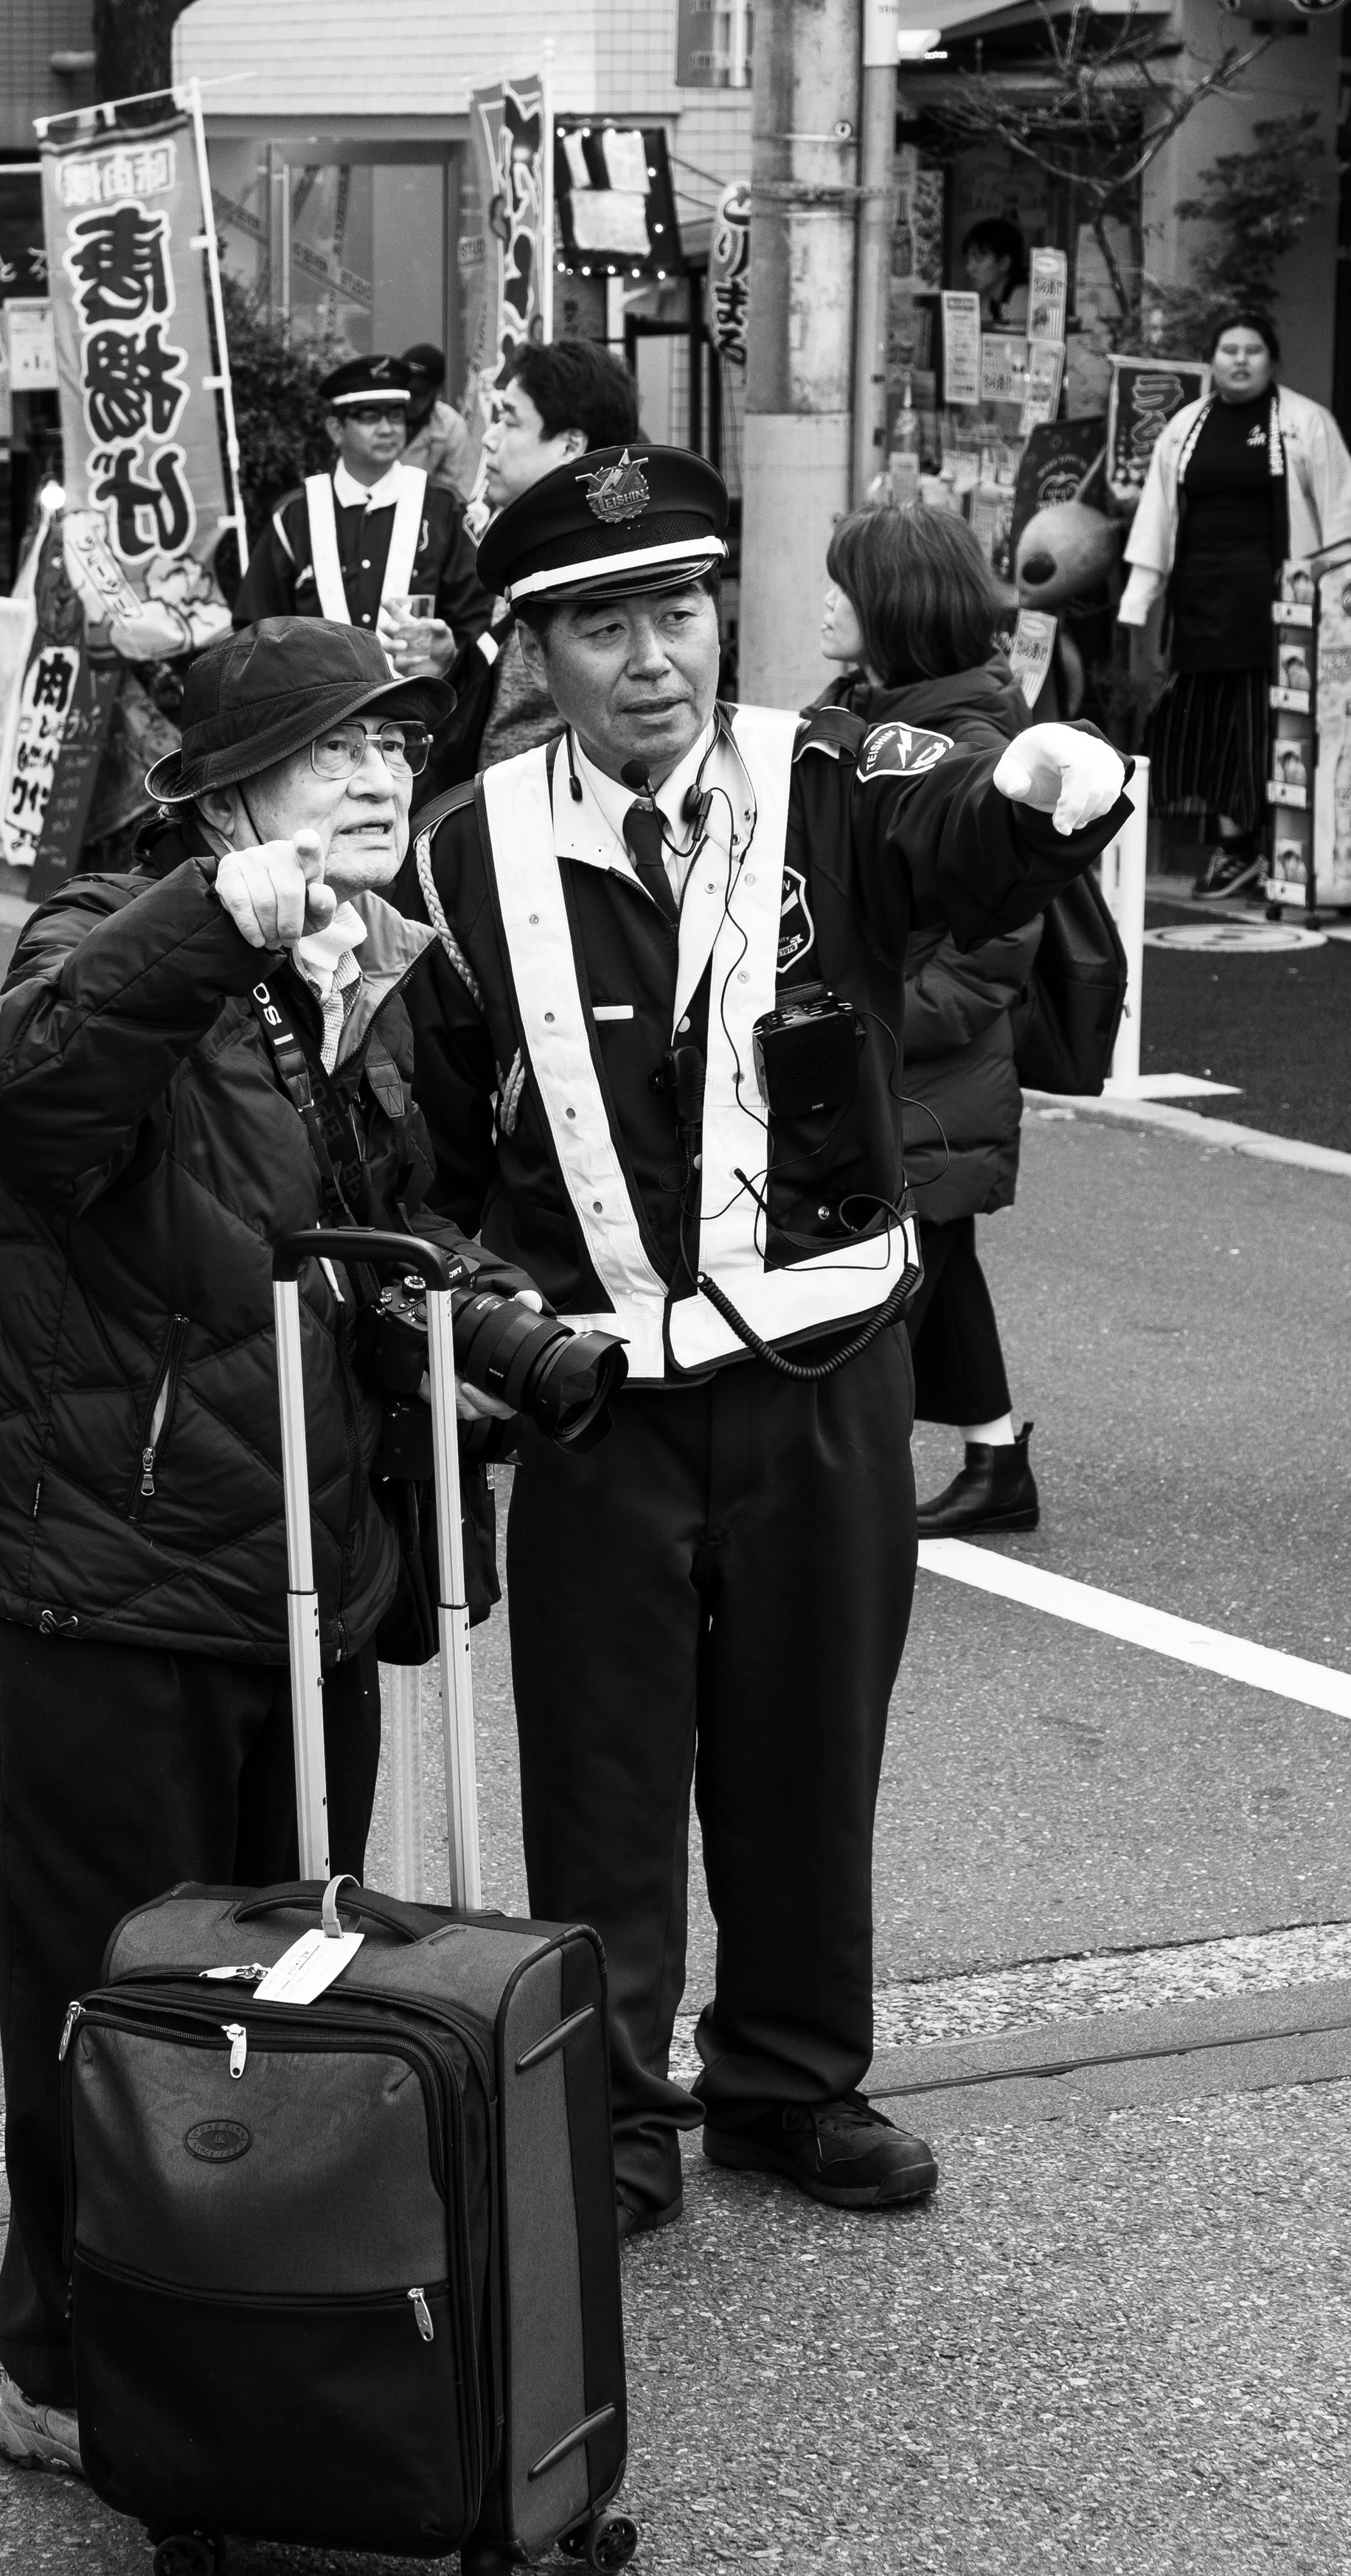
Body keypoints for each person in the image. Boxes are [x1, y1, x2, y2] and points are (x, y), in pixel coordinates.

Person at [397, 447, 1130, 2235]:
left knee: (810, 1744)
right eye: (600, 627)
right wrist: (488, 1335)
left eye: (679, 610)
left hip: (824, 1366)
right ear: (533, 653)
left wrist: (1044, 789)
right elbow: (422, 1142)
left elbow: (960, 839)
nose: (653, 656)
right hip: (597, 1395)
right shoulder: (463, 849)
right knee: (604, 1772)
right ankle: (613, 2112)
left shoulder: (829, 774)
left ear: (722, 612)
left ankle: (794, 2079)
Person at [0, 619, 518, 2474]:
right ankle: (70, 2344)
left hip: (301, 1572)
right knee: (109, 1977)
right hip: (105, 1571)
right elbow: (20, 1087)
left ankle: (247, 2313)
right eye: (331, 749)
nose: (374, 777)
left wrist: (504, 1336)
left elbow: (382, 1219)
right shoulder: (115, 931)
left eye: (394, 746)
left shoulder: (374, 968)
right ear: (227, 792)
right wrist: (218, 915)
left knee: (286, 1979)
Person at [819, 506, 1044, 1536]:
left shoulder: (971, 742)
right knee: (934, 1270)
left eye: (844, 587)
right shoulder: (877, 707)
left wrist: (861, 1015)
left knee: (873, 1289)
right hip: (914, 1073)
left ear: (894, 610)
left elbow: (994, 950)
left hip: (925, 1074)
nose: (826, 602)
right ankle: (996, 1460)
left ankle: (826, 1489)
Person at [1120, 310, 1351, 904]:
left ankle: (1285, 850)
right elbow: (1156, 519)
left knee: (1278, 731)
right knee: (1213, 730)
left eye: (1253, 350)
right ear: (1212, 361)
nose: (1240, 360)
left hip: (1286, 613)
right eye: (1229, 350)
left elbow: (1340, 516)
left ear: (1272, 361)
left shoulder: (1305, 423)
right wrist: (1137, 603)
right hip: (1201, 606)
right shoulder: (1186, 426)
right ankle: (1236, 849)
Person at [417, 341, 645, 801]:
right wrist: (453, 665)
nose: (490, 437)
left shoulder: (584, 570)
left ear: (570, 444)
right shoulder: (542, 548)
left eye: (510, 419)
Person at [232, 353, 490, 680]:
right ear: (336, 430)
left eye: (396, 416)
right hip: (319, 722)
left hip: (423, 719)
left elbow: (476, 619)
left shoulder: (444, 509)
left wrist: (448, 664)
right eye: (369, 417)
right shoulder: (295, 517)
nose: (386, 429)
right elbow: (255, 631)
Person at [399, 341, 478, 498]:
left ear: (437, 392)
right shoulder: (378, 416)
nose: (410, 400)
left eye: (419, 394)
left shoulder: (452, 427)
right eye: (405, 391)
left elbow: (450, 494)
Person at [962, 218, 1029, 333]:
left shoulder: (1022, 300)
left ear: (1004, 263)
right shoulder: (988, 301)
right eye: (968, 260)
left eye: (979, 259)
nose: (970, 268)